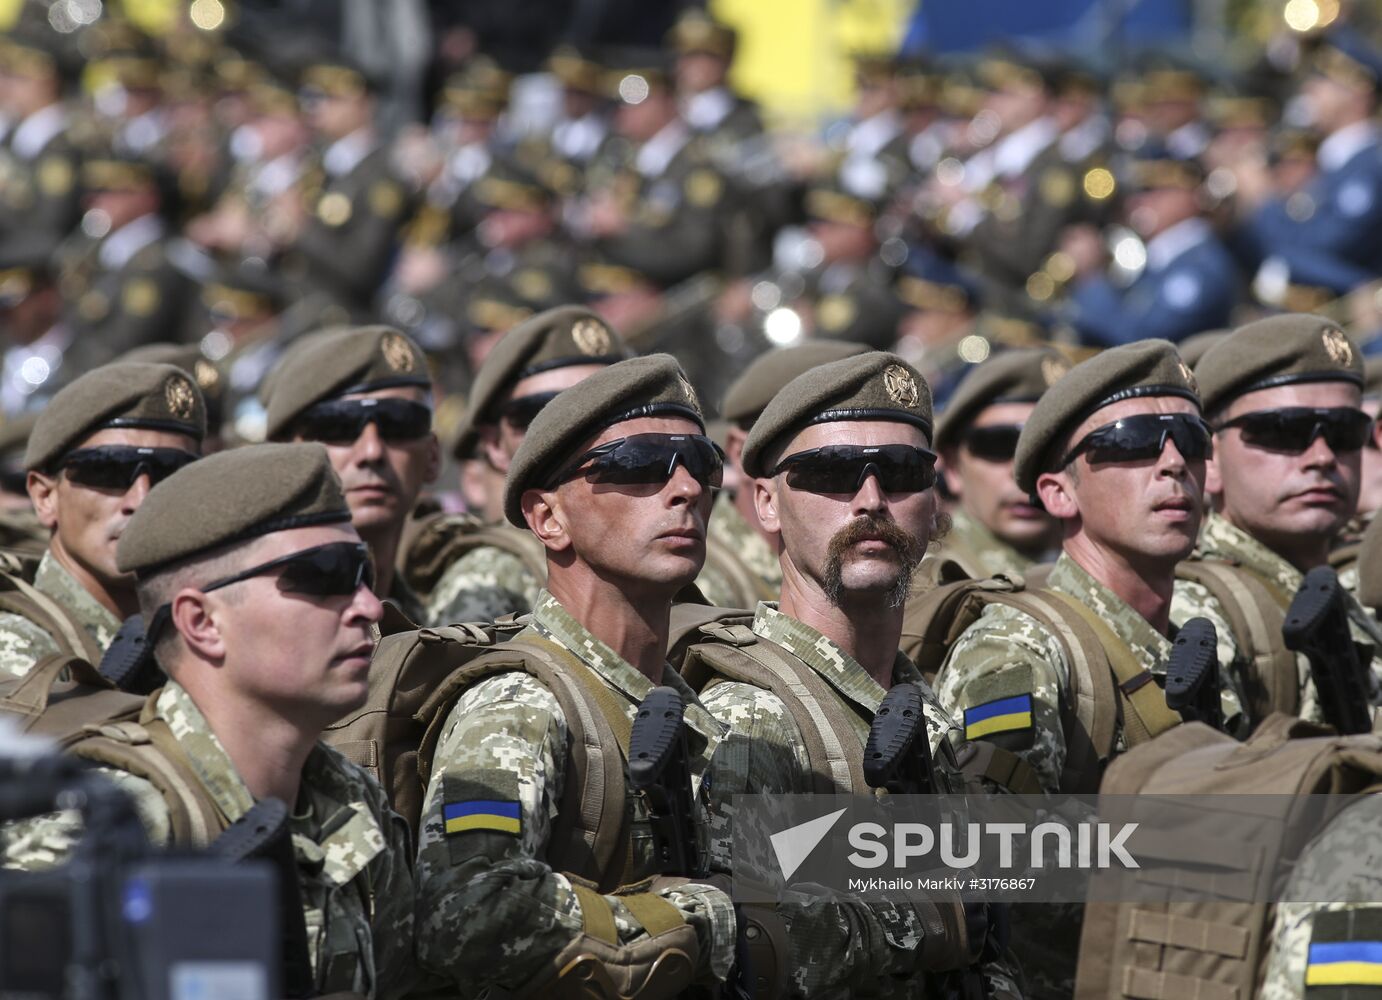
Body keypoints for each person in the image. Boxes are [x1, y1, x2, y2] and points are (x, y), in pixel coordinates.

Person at [2, 444, 418, 999]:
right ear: (201, 623)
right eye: (325, 574)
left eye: (363, 572)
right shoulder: (111, 828)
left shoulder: (352, 804)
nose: (368, 606)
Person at [686, 350, 1016, 997]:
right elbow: (744, 942)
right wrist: (921, 915)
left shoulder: (930, 707)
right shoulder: (754, 718)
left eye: (900, 471)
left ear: (933, 494)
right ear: (766, 503)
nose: (870, 500)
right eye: (832, 473)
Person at [413, 355, 743, 996]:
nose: (686, 490)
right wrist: (692, 919)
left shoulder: (696, 711)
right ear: (547, 518)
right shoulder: (520, 703)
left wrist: (977, 866)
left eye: (701, 464)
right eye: (640, 465)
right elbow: (463, 911)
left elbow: (798, 880)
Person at [935, 340, 1245, 795]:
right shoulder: (1016, 654)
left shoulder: (1192, 638)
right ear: (1058, 494)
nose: (1174, 463)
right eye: (1132, 441)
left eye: (1192, 440)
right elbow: (998, 853)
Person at [1175, 313, 1382, 723]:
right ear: (1209, 458)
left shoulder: (1352, 592)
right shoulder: (1193, 616)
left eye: (1343, 432)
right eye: (1285, 431)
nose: (1322, 457)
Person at [420, 305, 629, 625]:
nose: (572, 432)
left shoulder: (668, 542)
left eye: (606, 412)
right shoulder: (486, 582)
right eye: (540, 414)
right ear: (494, 445)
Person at [0, 362, 205, 678]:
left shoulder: (205, 632)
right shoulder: (16, 645)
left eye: (171, 474)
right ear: (45, 497)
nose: (142, 499)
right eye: (110, 470)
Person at [262, 325, 439, 623]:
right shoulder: (254, 622)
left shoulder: (438, 629)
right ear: (282, 456)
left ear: (433, 456)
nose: (372, 452)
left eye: (399, 424)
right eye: (339, 426)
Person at [699, 339, 868, 607]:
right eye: (829, 462)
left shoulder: (861, 565)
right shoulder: (707, 586)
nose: (869, 493)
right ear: (740, 453)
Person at [926, 347, 1066, 581]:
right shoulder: (929, 581)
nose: (1021, 471)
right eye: (997, 445)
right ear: (951, 467)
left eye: (1047, 447)